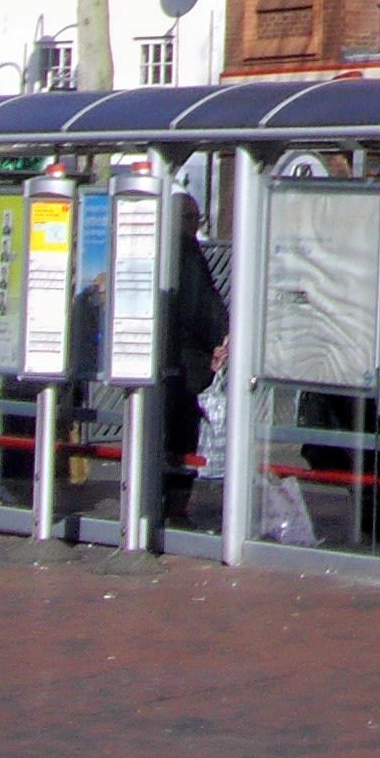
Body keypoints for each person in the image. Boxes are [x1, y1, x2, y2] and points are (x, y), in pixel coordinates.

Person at [160, 189, 230, 527]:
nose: (196, 225)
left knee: (163, 433)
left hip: (164, 360)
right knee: (181, 435)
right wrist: (220, 335)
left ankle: (161, 502)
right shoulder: (185, 251)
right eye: (192, 218)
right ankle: (174, 507)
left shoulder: (159, 248)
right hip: (183, 363)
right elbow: (200, 307)